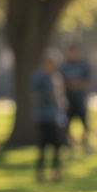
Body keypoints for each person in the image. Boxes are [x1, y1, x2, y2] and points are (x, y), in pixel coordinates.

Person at [30, 50, 68, 182]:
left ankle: (56, 173)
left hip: (55, 117)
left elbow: (60, 95)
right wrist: (49, 94)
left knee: (58, 146)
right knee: (42, 147)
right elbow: (34, 95)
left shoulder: (56, 76)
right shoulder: (38, 77)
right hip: (42, 116)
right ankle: (40, 173)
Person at [60, 42, 92, 152]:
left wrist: (74, 84)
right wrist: (73, 84)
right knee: (67, 123)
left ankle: (86, 143)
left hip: (80, 99)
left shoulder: (83, 66)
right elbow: (61, 82)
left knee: (85, 123)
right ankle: (68, 144)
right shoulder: (64, 67)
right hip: (68, 100)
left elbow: (87, 81)